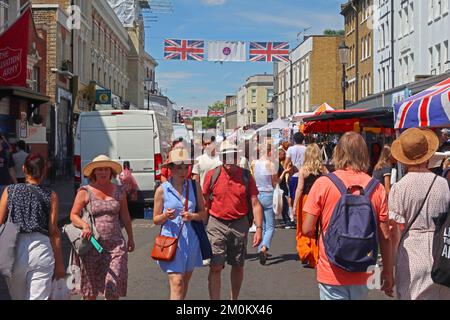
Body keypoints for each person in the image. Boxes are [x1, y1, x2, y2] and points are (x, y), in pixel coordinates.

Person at [302, 132, 393, 300]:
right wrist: (387, 271)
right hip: (364, 268)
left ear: (338, 153)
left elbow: (307, 229)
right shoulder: (377, 188)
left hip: (331, 267)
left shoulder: (324, 183)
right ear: (364, 154)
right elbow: (385, 236)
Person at [388, 128, 450, 300]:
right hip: (440, 252)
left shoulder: (400, 188)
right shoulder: (443, 184)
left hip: (411, 251)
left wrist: (390, 266)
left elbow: (394, 230)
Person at [203, 140, 263, 300]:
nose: (229, 160)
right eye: (225, 156)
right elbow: (204, 203)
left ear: (237, 157)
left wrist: (259, 228)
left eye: (232, 156)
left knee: (237, 264)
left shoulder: (245, 176)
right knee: (216, 266)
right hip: (216, 223)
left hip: (239, 223)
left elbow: (255, 203)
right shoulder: (212, 175)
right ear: (221, 158)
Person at [69, 155, 135, 300]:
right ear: (94, 172)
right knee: (90, 292)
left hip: (116, 245)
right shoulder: (85, 191)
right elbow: (73, 215)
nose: (103, 172)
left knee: (113, 287)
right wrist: (84, 225)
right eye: (100, 170)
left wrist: (131, 238)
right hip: (92, 245)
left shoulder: (119, 191)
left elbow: (125, 216)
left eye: (106, 169)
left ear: (111, 172)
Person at [0, 153, 64, 300]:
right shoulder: (51, 195)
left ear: (24, 169)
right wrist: (60, 263)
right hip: (41, 248)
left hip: (14, 249)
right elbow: (53, 232)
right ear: (44, 171)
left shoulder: (10, 191)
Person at [153, 149, 207, 300]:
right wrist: (165, 215)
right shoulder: (162, 190)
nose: (183, 171)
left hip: (191, 239)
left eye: (186, 167)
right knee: (177, 282)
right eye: (179, 167)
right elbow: (155, 219)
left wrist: (192, 216)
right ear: (170, 169)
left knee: (184, 281)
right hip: (171, 240)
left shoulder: (194, 186)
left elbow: (203, 213)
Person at [293, 144, 328, 268]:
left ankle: (306, 251)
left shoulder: (303, 170)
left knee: (304, 228)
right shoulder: (323, 169)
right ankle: (316, 256)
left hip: (306, 200)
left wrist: (294, 204)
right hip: (319, 200)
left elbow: (299, 188)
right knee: (318, 228)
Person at [253, 143, 278, 265]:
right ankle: (264, 247)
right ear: (269, 151)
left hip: (258, 194)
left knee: (261, 224)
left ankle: (260, 248)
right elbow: (275, 181)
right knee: (270, 226)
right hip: (268, 194)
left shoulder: (255, 163)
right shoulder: (271, 165)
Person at [277, 146, 291, 228]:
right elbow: (278, 178)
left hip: (282, 186)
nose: (285, 155)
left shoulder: (278, 163)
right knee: (283, 204)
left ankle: (286, 220)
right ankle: (286, 220)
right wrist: (285, 172)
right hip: (280, 186)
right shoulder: (277, 164)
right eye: (283, 154)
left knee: (284, 204)